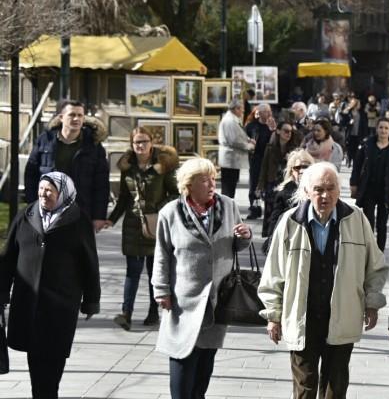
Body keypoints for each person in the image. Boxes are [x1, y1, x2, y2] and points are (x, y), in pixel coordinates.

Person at [258, 162, 388, 399]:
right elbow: (273, 272)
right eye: (318, 189)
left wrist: (372, 302)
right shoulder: (290, 222)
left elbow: (375, 265)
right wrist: (273, 316)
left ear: (340, 190)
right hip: (302, 316)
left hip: (343, 314)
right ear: (307, 191)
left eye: (331, 188)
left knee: (335, 388)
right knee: (305, 387)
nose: (325, 195)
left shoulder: (356, 219)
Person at [152, 158, 253, 399]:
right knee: (182, 361)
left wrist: (245, 235)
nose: (211, 184)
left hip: (218, 298)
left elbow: (236, 245)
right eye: (204, 180)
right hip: (183, 300)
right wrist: (161, 290)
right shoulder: (170, 213)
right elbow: (162, 255)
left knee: (205, 362)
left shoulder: (228, 206)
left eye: (213, 178)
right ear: (188, 185)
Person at [0, 172, 101, 399]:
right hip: (28, 303)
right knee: (36, 361)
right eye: (41, 188)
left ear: (63, 193)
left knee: (53, 364)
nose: (44, 194)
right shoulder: (25, 215)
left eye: (50, 190)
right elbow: (7, 259)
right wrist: (2, 292)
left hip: (61, 305)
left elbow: (90, 264)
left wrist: (91, 300)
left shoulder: (78, 220)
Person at [107, 128, 180, 330]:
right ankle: (126, 313)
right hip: (133, 224)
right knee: (133, 270)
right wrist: (111, 220)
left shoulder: (163, 166)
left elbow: (176, 194)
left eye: (144, 142)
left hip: (156, 224)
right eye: (136, 142)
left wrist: (158, 209)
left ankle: (152, 312)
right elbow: (123, 198)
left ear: (151, 143)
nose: (140, 146)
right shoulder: (127, 168)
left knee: (154, 271)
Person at [24, 100, 110, 232]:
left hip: (81, 212)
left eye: (80, 115)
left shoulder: (93, 145)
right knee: (49, 251)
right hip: (48, 211)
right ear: (61, 117)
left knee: (78, 252)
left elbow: (101, 184)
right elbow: (31, 175)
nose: (76, 119)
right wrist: (32, 207)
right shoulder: (45, 140)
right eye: (72, 115)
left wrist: (99, 216)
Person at [350, 118, 389, 251]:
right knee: (368, 222)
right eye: (381, 127)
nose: (383, 130)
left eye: (386, 128)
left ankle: (379, 252)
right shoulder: (367, 144)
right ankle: (367, 250)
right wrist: (354, 183)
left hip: (386, 190)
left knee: (382, 223)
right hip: (368, 189)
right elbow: (357, 165)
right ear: (376, 129)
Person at [262, 149, 315, 253]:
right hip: (291, 241)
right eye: (297, 168)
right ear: (291, 171)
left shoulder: (318, 190)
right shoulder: (283, 194)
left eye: (305, 167)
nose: (301, 171)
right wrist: (273, 241)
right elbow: (275, 220)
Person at [257, 122, 298, 237]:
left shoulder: (294, 149)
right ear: (278, 131)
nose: (288, 134)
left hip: (286, 184)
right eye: (285, 131)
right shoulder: (270, 148)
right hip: (272, 182)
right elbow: (264, 167)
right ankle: (269, 236)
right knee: (269, 211)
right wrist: (260, 186)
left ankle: (280, 234)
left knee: (282, 210)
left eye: (290, 131)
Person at [246, 103, 277, 220]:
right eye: (266, 112)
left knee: (268, 185)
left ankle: (269, 211)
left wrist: (273, 130)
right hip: (256, 159)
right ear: (259, 113)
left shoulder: (273, 126)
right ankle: (255, 209)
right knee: (254, 185)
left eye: (270, 111)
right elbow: (246, 139)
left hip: (269, 160)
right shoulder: (251, 126)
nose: (269, 114)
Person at [218, 100, 255, 198]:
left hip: (232, 159)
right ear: (236, 109)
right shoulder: (229, 120)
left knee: (231, 186)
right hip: (230, 159)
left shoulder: (233, 119)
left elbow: (238, 133)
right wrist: (249, 146)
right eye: (241, 110)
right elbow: (234, 140)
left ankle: (228, 206)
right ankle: (226, 208)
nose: (242, 112)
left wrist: (248, 139)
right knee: (228, 188)